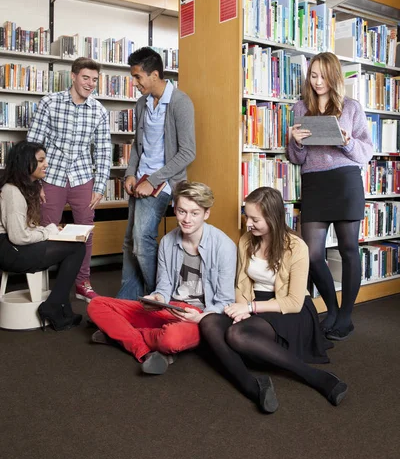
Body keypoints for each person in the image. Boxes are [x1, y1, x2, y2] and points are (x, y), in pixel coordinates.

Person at [200, 187, 347, 414]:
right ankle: (251, 386)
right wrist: (243, 310)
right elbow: (242, 284)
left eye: (254, 219)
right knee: (208, 323)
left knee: (235, 334)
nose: (248, 223)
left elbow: (294, 302)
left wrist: (250, 308)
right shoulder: (246, 241)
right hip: (254, 303)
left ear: (272, 217)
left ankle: (316, 377)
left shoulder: (296, 247)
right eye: (246, 216)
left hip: (289, 310)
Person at [88, 181, 236, 374]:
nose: (187, 219)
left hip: (201, 317)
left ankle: (121, 336)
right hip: (171, 308)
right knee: (96, 305)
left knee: (170, 340)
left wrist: (199, 317)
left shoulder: (224, 246)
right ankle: (143, 348)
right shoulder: (167, 242)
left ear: (206, 214)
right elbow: (164, 287)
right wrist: (158, 298)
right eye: (182, 211)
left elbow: (225, 301)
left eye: (194, 213)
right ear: (175, 209)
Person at [287, 52, 373, 340]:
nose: (318, 81)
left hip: (345, 181)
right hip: (314, 182)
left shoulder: (351, 107)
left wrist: (347, 142)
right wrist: (295, 142)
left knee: (349, 249)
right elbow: (297, 157)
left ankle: (346, 316)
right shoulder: (301, 107)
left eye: (323, 76)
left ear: (334, 76)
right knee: (312, 254)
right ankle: (333, 310)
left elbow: (366, 151)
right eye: (313, 75)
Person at [27, 57, 111, 302]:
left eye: (95, 79)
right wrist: (35, 182)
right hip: (50, 175)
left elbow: (104, 150)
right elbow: (34, 142)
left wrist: (100, 184)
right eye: (86, 77)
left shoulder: (99, 110)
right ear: (73, 76)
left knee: (85, 230)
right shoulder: (49, 103)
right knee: (47, 228)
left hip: (83, 176)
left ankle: (82, 282)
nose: (90, 84)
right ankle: (43, 284)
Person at [117, 47, 195, 301]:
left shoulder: (180, 102)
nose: (135, 83)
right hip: (139, 181)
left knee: (141, 241)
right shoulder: (142, 104)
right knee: (130, 242)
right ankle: (128, 299)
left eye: (138, 77)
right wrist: (130, 173)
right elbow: (138, 145)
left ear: (155, 75)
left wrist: (152, 181)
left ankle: (159, 297)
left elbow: (187, 153)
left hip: (162, 183)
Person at [0, 141, 84, 331]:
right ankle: (55, 305)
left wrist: (49, 232)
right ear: (25, 163)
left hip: (12, 247)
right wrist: (48, 232)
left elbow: (25, 229)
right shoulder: (12, 191)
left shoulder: (23, 187)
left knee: (73, 245)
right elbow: (19, 237)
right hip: (10, 251)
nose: (46, 164)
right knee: (77, 248)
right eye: (40, 160)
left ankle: (59, 305)